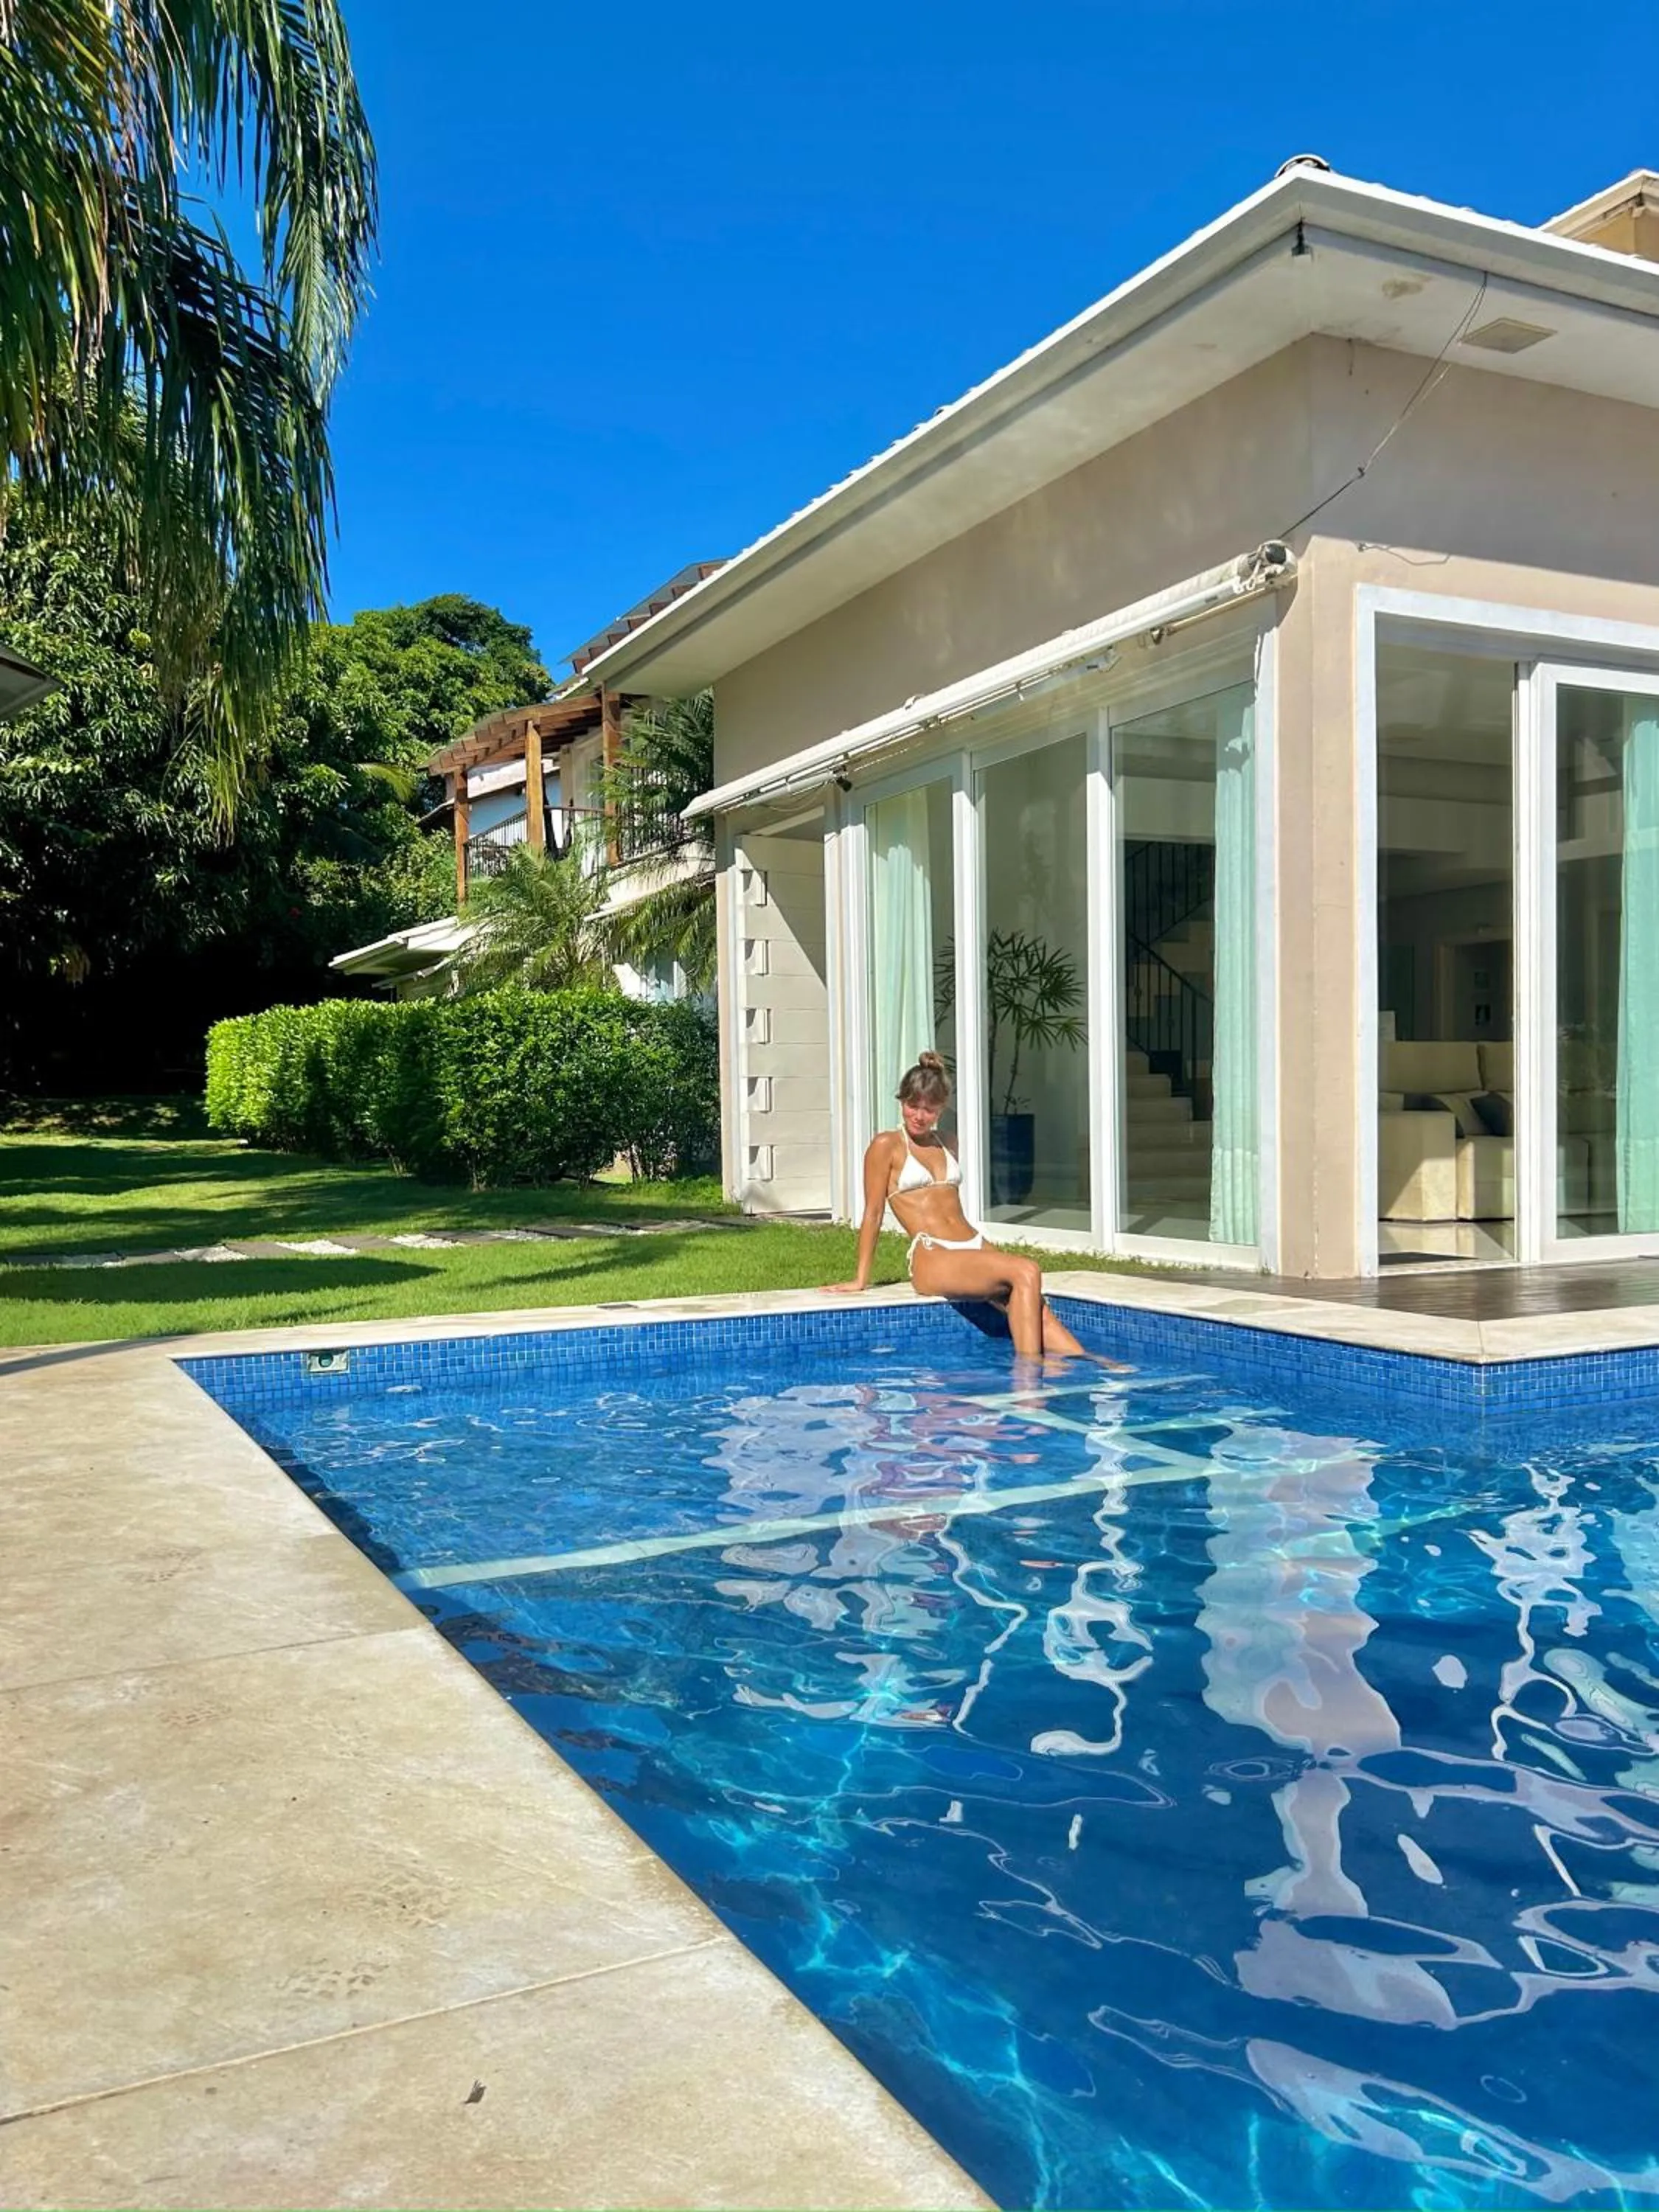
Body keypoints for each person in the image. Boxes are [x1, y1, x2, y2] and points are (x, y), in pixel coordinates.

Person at [827, 1049, 1102, 1360]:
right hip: (933, 1253)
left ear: (942, 1109)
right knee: (1026, 1270)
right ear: (902, 1102)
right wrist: (861, 1278)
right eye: (912, 1105)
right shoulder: (886, 1145)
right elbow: (874, 1212)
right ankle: (1029, 1385)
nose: (919, 1116)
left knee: (1037, 1307)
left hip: (972, 1244)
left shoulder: (948, 1142)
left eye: (929, 1109)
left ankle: (1096, 1367)